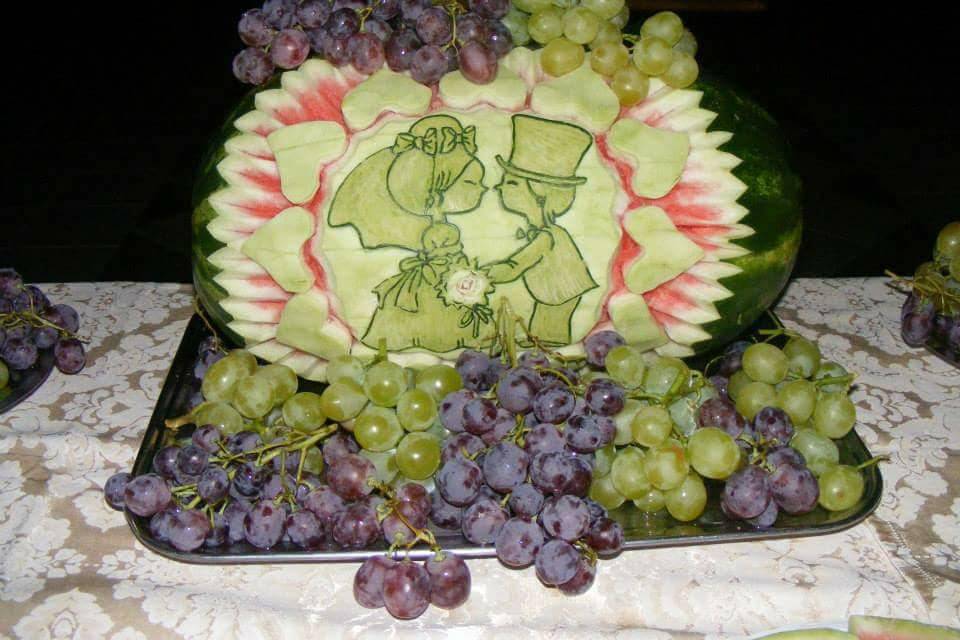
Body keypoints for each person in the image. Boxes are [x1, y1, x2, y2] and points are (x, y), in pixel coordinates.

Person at [328, 115, 490, 352]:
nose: (483, 188)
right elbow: (445, 265)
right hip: (435, 284)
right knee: (432, 320)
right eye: (471, 182)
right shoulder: (440, 231)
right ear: (438, 191)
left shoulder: (436, 225)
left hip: (437, 282)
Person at [485, 114, 597, 345]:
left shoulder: (547, 236)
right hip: (550, 292)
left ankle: (550, 343)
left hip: (559, 293)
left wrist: (488, 275)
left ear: (541, 193)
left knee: (551, 320)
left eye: (511, 182)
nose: (499, 187)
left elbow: (517, 264)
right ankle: (541, 339)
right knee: (542, 318)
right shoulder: (542, 231)